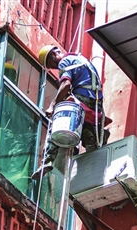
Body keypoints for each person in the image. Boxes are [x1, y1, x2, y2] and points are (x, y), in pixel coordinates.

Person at [31, 45, 110, 180]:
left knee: (59, 122)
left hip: (82, 100)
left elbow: (66, 84)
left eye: (51, 64)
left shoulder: (64, 62)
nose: (55, 68)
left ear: (53, 55)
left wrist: (53, 105)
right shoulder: (81, 60)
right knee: (84, 129)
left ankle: (48, 160)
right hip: (95, 106)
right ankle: (90, 138)